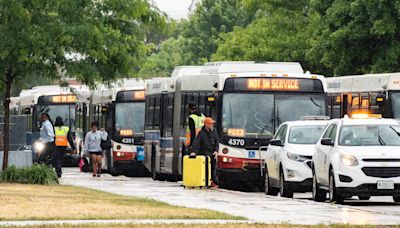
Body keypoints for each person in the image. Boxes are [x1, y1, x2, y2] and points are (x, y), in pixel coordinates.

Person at [191, 117, 219, 187]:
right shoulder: (201, 133)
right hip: (205, 153)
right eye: (211, 124)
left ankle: (212, 181)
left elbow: (217, 141)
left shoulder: (214, 131)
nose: (212, 125)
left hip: (212, 153)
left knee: (213, 168)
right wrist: (194, 151)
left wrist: (216, 151)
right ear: (206, 124)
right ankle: (206, 181)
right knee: (206, 168)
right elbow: (196, 142)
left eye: (212, 123)